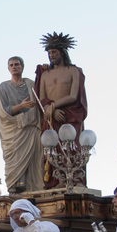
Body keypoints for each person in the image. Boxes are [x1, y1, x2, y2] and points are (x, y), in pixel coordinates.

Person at [35, 32, 88, 189]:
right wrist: (49, 108)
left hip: (70, 113)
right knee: (54, 148)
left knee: (73, 146)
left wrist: (54, 106)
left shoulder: (74, 71)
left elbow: (73, 95)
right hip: (52, 116)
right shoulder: (45, 74)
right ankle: (58, 180)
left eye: (54, 52)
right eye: (49, 53)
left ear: (62, 52)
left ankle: (76, 179)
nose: (51, 56)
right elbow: (42, 98)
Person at [0, 56, 43, 193]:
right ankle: (16, 185)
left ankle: (33, 188)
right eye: (11, 65)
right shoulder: (3, 87)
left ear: (22, 66)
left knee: (35, 160)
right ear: (8, 68)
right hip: (13, 131)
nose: (14, 67)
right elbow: (3, 112)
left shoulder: (31, 84)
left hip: (31, 128)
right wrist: (21, 106)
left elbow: (41, 100)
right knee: (15, 160)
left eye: (17, 64)